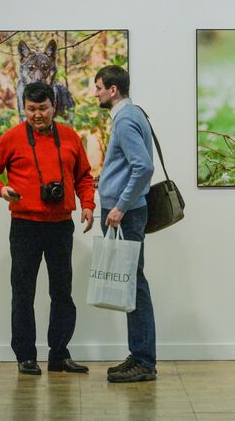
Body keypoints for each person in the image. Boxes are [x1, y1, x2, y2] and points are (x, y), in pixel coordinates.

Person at [0, 82, 95, 375]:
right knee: (23, 293)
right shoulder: (13, 137)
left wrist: (89, 205)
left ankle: (59, 354)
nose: (37, 115)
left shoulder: (69, 137)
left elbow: (84, 176)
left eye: (43, 108)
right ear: (24, 108)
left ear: (53, 106)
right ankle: (25, 357)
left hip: (60, 227)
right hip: (25, 226)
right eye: (31, 109)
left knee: (62, 293)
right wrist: (1, 189)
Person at [93, 65, 157, 383]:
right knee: (131, 283)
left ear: (113, 90)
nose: (96, 93)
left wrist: (119, 206)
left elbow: (143, 167)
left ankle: (144, 361)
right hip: (126, 212)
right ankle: (139, 355)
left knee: (134, 284)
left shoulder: (126, 118)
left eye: (99, 87)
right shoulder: (128, 115)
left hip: (127, 214)